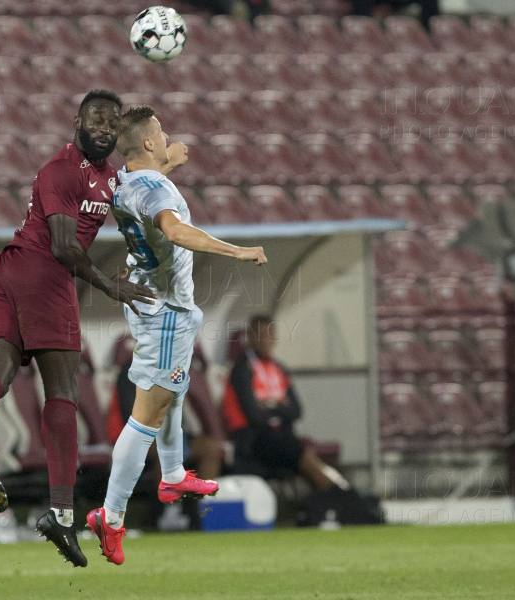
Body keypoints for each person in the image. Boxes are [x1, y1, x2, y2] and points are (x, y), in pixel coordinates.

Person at [0, 89, 185, 568]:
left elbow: (131, 195)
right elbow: (64, 246)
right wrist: (110, 287)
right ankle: (61, 513)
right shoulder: (60, 171)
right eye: (94, 120)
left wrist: (166, 164)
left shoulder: (111, 176)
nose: (102, 128)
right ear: (76, 123)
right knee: (62, 389)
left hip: (6, 268)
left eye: (110, 123)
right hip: (44, 271)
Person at [86, 105, 267, 565]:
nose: (167, 136)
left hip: (155, 305)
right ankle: (111, 515)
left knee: (173, 394)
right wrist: (236, 251)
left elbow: (144, 189)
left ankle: (171, 474)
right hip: (165, 311)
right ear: (148, 143)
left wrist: (168, 161)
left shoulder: (125, 179)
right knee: (146, 415)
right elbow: (173, 228)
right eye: (160, 133)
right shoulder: (153, 188)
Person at [223, 315, 342, 492]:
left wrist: (269, 406)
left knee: (302, 451)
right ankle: (339, 496)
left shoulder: (279, 368)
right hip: (253, 440)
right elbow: (254, 416)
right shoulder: (242, 370)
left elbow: (296, 411)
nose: (265, 340)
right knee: (301, 453)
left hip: (281, 435)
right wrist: (280, 407)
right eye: (260, 334)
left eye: (269, 334)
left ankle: (336, 497)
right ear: (250, 338)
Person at [108, 357, 224, 529]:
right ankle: (168, 511)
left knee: (210, 449)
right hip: (136, 437)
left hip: (170, 435)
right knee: (164, 447)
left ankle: (200, 511)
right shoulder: (131, 370)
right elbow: (130, 414)